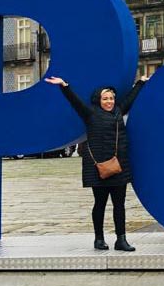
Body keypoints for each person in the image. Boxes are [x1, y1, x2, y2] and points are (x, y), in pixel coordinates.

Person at [44, 75, 149, 251]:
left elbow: (130, 98)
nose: (109, 101)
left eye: (112, 98)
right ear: (98, 100)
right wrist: (64, 86)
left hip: (118, 166)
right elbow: (74, 101)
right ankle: (99, 239)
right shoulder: (90, 113)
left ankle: (121, 239)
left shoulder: (118, 111)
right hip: (97, 167)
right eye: (105, 98)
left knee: (119, 204)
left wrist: (140, 83)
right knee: (100, 204)